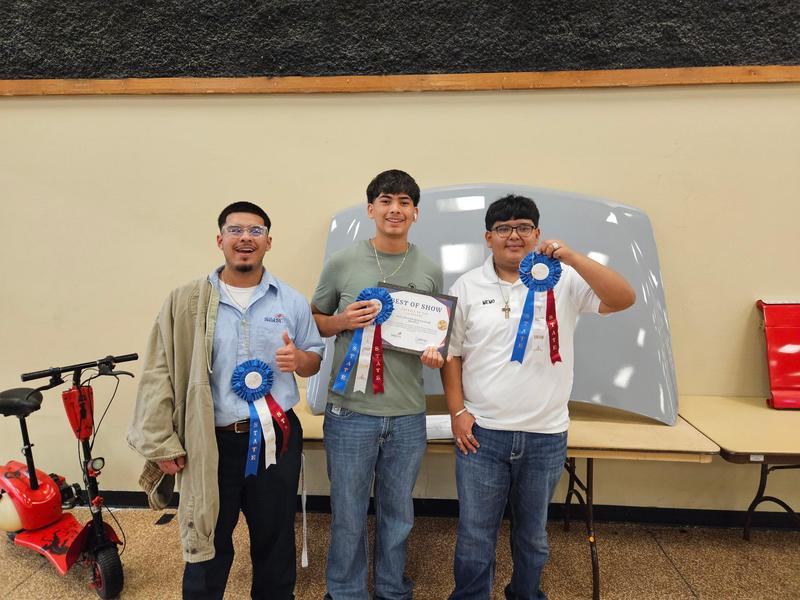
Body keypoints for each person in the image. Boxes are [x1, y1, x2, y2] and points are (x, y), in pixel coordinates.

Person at [127, 201, 324, 600]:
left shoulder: (290, 301)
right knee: (207, 539)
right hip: (210, 441)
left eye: (255, 231)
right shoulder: (186, 301)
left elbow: (313, 359)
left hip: (277, 439)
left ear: (268, 241)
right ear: (220, 240)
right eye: (235, 230)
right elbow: (158, 372)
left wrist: (300, 360)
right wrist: (161, 441)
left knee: (275, 538)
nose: (245, 238)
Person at [443, 194, 635, 600]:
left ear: (537, 233)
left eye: (523, 227)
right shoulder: (467, 285)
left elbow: (624, 298)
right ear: (488, 237)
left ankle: (525, 594)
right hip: (482, 434)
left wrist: (572, 257)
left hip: (545, 436)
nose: (514, 235)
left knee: (533, 538)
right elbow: (452, 353)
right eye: (503, 228)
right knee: (475, 537)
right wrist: (457, 412)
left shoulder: (564, 280)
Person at [311, 169, 444, 599]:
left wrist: (434, 351)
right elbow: (315, 321)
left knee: (398, 513)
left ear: (416, 213)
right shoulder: (342, 262)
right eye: (386, 200)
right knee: (348, 514)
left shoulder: (429, 268)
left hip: (407, 414)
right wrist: (342, 321)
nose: (395, 209)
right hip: (350, 412)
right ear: (371, 209)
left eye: (404, 202)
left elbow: (436, 331)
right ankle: (345, 592)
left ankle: (392, 589)